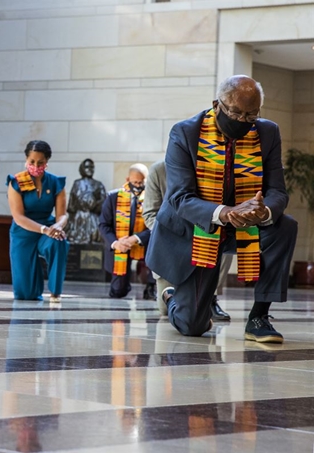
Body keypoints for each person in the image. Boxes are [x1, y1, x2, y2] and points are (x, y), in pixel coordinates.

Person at [146, 75, 297, 344]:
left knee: (285, 225)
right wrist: (226, 212)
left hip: (244, 226)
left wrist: (264, 211)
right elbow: (180, 198)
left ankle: (259, 317)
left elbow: (277, 191)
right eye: (235, 112)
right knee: (192, 325)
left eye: (251, 115)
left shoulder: (267, 132)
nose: (242, 120)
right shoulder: (185, 132)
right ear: (217, 104)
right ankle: (171, 296)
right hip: (195, 230)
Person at [143, 160, 231, 321]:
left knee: (223, 241)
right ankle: (172, 296)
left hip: (206, 234)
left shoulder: (215, 165)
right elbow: (150, 214)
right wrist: (172, 235)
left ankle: (210, 297)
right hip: (172, 239)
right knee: (166, 311)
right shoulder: (159, 170)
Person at [7, 140, 69, 302]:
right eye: (32, 161)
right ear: (26, 160)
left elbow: (63, 214)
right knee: (26, 295)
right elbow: (19, 217)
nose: (36, 165)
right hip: (23, 232)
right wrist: (44, 229)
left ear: (47, 161)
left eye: (40, 162)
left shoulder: (56, 183)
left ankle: (56, 292)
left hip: (48, 229)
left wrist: (57, 226)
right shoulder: (17, 182)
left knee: (59, 241)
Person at [98, 163, 154, 299]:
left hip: (143, 241)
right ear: (127, 179)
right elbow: (103, 225)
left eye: (142, 182)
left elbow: (156, 225)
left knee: (156, 249)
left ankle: (151, 286)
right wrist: (116, 243)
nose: (138, 186)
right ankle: (122, 284)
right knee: (118, 291)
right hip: (120, 243)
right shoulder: (113, 197)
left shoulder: (152, 197)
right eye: (135, 182)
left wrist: (136, 238)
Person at [66, 158, 107, 245]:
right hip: (78, 219)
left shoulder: (98, 184)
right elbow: (71, 204)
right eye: (87, 167)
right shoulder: (77, 183)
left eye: (92, 167)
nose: (90, 169)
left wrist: (95, 205)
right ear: (82, 168)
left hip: (93, 218)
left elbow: (104, 201)